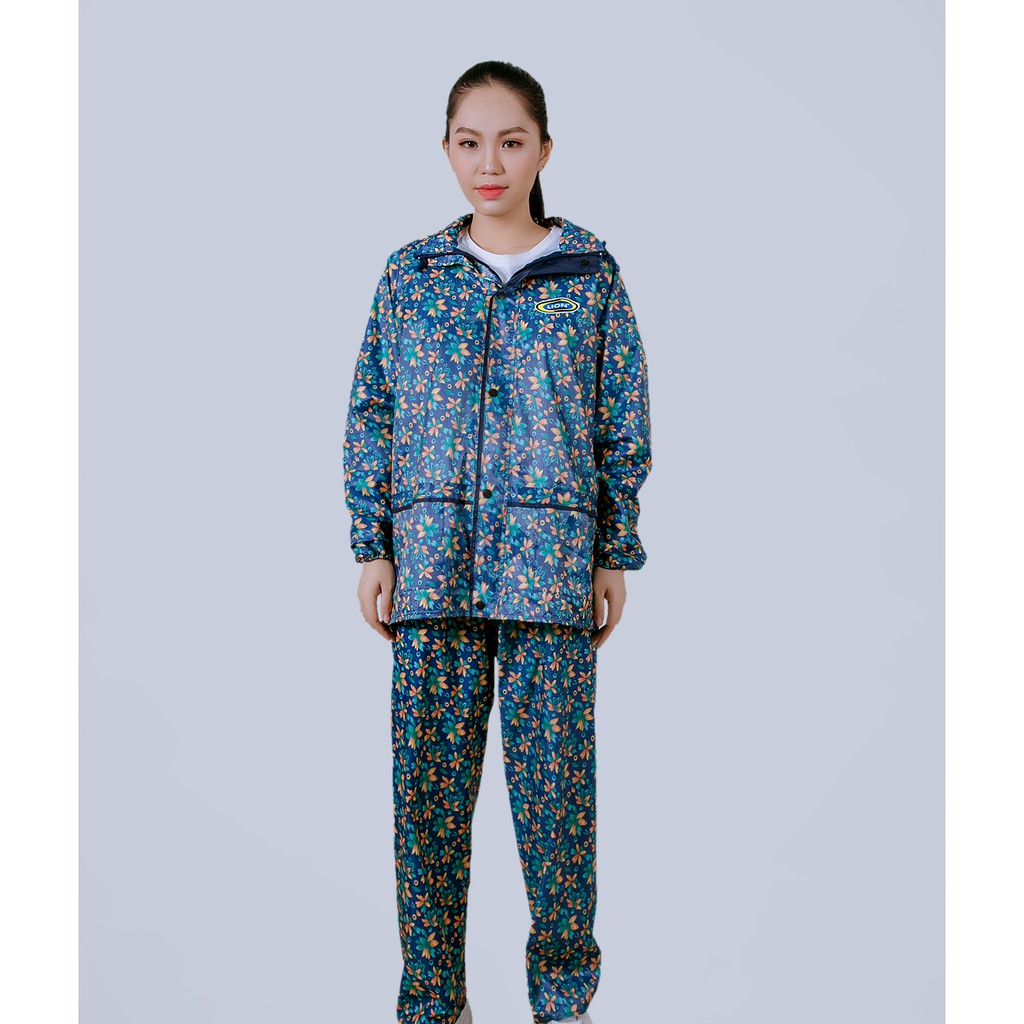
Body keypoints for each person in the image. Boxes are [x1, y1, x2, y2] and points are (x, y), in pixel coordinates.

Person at [343, 59, 652, 1024]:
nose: (490, 164)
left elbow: (620, 417)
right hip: (432, 570)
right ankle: (434, 1005)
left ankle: (561, 1004)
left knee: (557, 814)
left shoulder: (590, 276)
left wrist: (614, 550)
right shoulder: (411, 275)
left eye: (511, 142)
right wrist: (373, 543)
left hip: (549, 577)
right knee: (426, 813)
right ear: (445, 149)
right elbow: (374, 411)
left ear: (544, 151)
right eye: (470, 143)